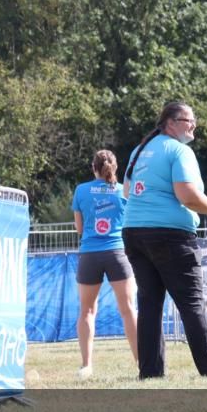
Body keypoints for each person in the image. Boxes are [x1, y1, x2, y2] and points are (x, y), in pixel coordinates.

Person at [122, 102, 207, 379]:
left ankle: (150, 372)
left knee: (149, 304)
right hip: (169, 235)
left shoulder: (139, 150)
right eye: (189, 120)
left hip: (134, 233)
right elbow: (187, 196)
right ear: (171, 123)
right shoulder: (179, 151)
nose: (194, 125)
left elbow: (128, 191)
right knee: (191, 303)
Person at [72, 149, 139, 379]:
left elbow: (80, 229)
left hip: (90, 254)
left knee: (87, 311)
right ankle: (141, 363)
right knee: (128, 310)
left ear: (93, 167)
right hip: (118, 253)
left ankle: (86, 366)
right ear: (116, 168)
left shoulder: (81, 190)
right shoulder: (123, 191)